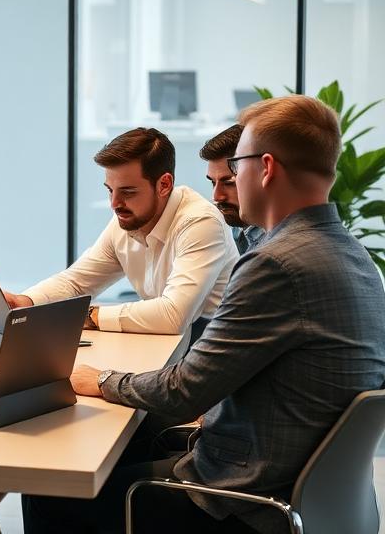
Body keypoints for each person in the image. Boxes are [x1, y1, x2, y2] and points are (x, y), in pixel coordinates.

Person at [23, 95, 385, 533]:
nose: (224, 187)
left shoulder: (277, 263)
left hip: (244, 501)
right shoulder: (354, 256)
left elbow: (184, 391)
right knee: (136, 441)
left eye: (235, 169)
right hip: (304, 490)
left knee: (50, 486)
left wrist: (99, 379)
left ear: (265, 168)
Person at [0, 128, 239, 534]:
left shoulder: (199, 223)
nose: (115, 203)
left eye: (128, 192)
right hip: (167, 363)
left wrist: (91, 317)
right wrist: (27, 303)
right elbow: (78, 280)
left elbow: (173, 315)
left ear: (164, 184)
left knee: (56, 431)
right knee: (44, 410)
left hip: (195, 386)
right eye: (110, 190)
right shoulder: (127, 217)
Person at [199, 124, 264, 254]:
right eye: (213, 182)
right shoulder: (236, 228)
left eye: (229, 183)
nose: (217, 196)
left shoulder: (281, 246)